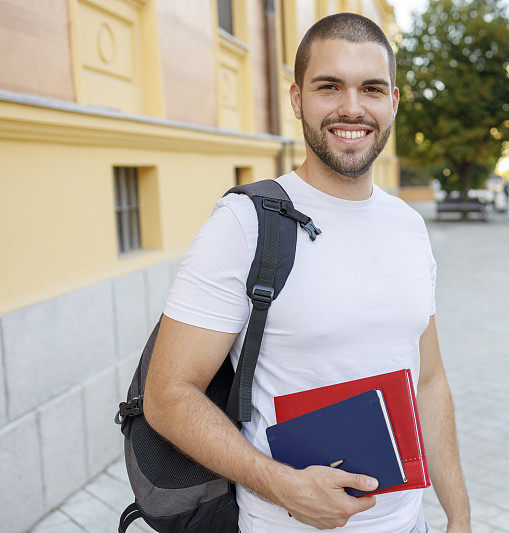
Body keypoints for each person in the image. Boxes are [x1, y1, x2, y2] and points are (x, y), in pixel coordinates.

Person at [142, 13, 471, 533]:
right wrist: (280, 485)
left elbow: (428, 381)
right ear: (297, 99)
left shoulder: (408, 225)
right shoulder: (244, 224)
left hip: (410, 525)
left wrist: (460, 515)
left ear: (394, 102)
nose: (352, 108)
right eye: (329, 86)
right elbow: (167, 396)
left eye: (371, 88)